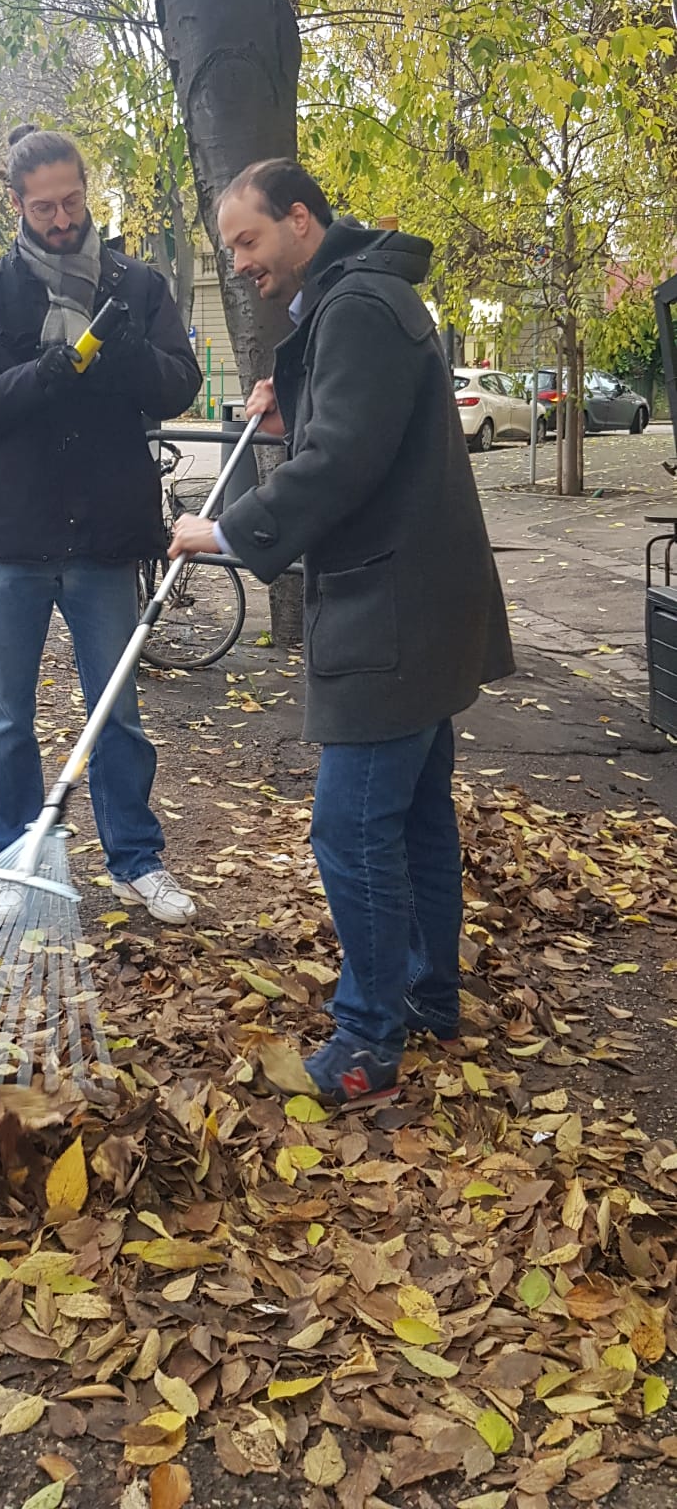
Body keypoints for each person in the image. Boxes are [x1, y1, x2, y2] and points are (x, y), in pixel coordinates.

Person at [170, 158, 513, 1105]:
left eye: (248, 241)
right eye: (228, 248)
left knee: (351, 830)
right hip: (424, 607)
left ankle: (368, 1039)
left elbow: (343, 463)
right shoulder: (365, 297)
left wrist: (229, 529)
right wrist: (296, 402)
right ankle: (427, 996)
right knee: (412, 816)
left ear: (300, 220)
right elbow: (363, 427)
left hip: (387, 616)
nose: (239, 262)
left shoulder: (356, 307)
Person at [0, 125, 203, 924]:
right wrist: (42, 375)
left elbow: (178, 386)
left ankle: (137, 862)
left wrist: (122, 356)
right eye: (44, 206)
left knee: (116, 710)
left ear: (89, 192)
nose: (61, 218)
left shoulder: (136, 285)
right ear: (15, 204)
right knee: (7, 718)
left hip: (104, 538)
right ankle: (13, 864)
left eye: (72, 201)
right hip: (15, 539)